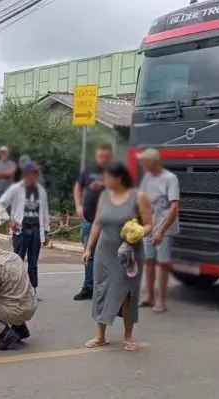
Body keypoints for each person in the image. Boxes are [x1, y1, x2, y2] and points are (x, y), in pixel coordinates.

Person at [82, 162, 153, 352]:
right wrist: (89, 248)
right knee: (100, 290)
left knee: (126, 294)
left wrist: (138, 232)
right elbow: (97, 223)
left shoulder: (138, 197)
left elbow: (148, 224)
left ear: (119, 178)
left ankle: (128, 336)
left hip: (128, 252)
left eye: (107, 177)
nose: (104, 181)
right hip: (104, 251)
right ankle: (100, 335)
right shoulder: (105, 196)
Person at [0, 162, 50, 296]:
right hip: (21, 229)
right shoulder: (16, 188)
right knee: (17, 260)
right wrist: (8, 219)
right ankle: (15, 288)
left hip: (36, 229)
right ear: (26, 174)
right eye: (33, 173)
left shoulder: (41, 191)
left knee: (33, 263)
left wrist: (46, 232)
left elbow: (45, 212)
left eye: (36, 173)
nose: (35, 176)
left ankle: (32, 290)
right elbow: (0, 204)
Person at [137, 148, 180, 313]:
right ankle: (149, 295)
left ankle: (161, 299)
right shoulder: (147, 177)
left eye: (144, 163)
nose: (141, 166)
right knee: (148, 260)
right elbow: (142, 199)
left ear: (153, 163)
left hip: (165, 227)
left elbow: (175, 207)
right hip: (148, 225)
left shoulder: (170, 178)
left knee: (162, 263)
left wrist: (161, 230)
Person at [72, 143, 113, 301]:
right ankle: (88, 288)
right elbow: (78, 186)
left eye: (105, 157)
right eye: (100, 156)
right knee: (89, 254)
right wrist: (78, 205)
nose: (102, 159)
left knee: (109, 255)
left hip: (109, 221)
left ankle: (106, 288)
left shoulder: (115, 171)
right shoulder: (89, 170)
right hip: (90, 219)